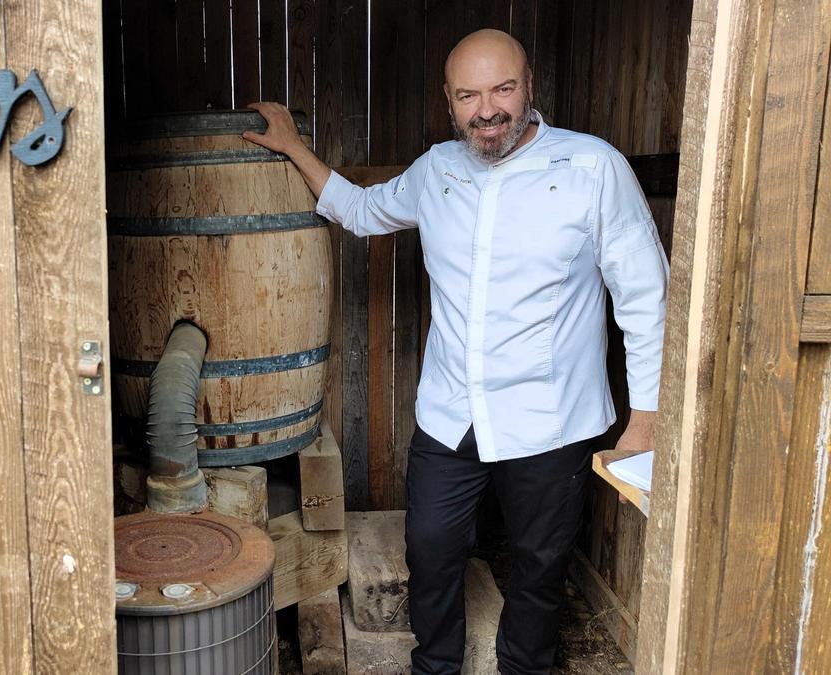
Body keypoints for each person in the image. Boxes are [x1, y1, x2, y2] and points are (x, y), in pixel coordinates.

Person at [243, 28, 668, 675]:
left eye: (503, 89)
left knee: (539, 568)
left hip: (551, 419)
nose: (487, 109)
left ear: (530, 87)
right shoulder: (436, 170)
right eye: (469, 95)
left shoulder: (592, 169)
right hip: (451, 413)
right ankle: (435, 666)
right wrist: (294, 147)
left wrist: (648, 418)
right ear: (449, 100)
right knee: (431, 551)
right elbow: (360, 210)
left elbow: (646, 297)